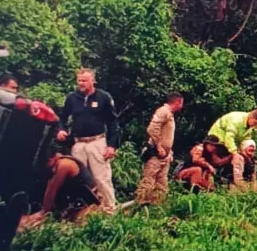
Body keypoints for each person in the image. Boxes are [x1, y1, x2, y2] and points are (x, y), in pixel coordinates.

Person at [55, 68, 120, 214]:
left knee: (101, 178)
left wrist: (112, 146)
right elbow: (62, 118)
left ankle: (110, 211)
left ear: (92, 81)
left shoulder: (103, 97)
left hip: (97, 142)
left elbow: (113, 122)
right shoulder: (72, 98)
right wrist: (61, 130)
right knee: (78, 179)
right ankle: (81, 211)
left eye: (84, 80)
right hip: (78, 144)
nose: (81, 83)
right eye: (79, 80)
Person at [134, 93, 184, 205]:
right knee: (148, 181)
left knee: (162, 183)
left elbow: (166, 135)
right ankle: (139, 205)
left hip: (165, 155)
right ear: (178, 102)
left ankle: (156, 207)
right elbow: (152, 129)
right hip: (156, 153)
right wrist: (159, 146)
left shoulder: (170, 114)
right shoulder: (163, 111)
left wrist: (169, 151)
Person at [206, 109, 257, 187]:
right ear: (251, 117)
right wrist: (235, 153)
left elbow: (245, 141)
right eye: (255, 123)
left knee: (243, 157)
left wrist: (245, 152)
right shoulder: (236, 120)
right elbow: (229, 138)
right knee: (235, 158)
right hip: (217, 141)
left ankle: (244, 182)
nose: (254, 125)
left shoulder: (249, 127)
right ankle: (236, 182)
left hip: (230, 143)